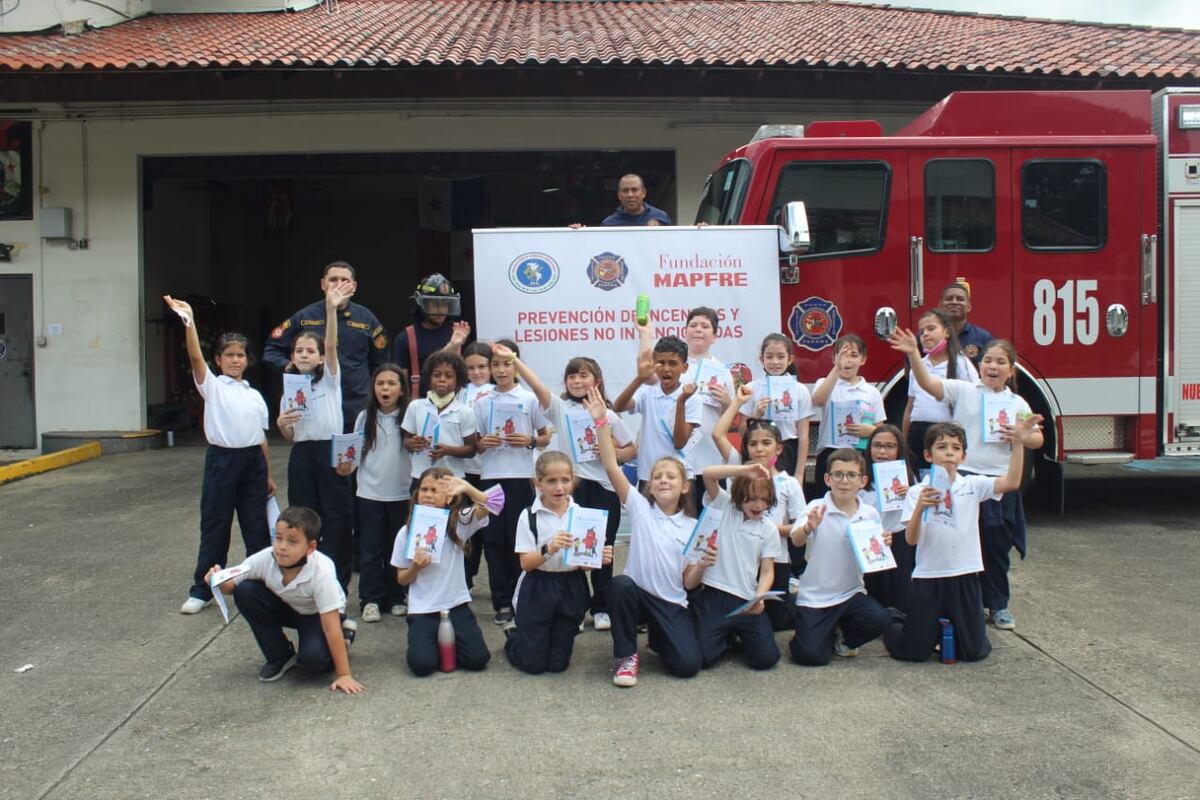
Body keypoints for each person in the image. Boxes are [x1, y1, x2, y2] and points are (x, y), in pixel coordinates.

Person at [890, 332, 1045, 632]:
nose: (993, 367)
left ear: (1011, 370)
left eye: (1001, 362)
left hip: (999, 482)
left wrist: (1024, 436)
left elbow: (1037, 437)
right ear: (979, 364)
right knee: (956, 540)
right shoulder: (964, 390)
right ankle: (963, 601)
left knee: (996, 546)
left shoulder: (1017, 402)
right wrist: (912, 354)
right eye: (988, 360)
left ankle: (998, 604)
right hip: (962, 480)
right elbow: (928, 384)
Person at [883, 418, 1041, 662]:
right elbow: (911, 540)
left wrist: (1018, 443)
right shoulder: (917, 491)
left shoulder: (972, 484)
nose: (949, 453)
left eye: (955, 448)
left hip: (965, 572)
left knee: (974, 652)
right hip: (929, 576)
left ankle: (952, 630)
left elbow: (1011, 482)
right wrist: (919, 509)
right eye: (942, 447)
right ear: (928, 455)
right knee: (913, 652)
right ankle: (894, 619)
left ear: (963, 457)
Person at [502, 349, 636, 632]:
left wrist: (613, 452)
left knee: (601, 548)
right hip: (570, 489)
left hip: (603, 488)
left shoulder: (608, 415)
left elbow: (632, 447)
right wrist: (514, 361)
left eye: (583, 375)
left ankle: (601, 606)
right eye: (571, 375)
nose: (577, 380)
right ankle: (572, 608)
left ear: (596, 381)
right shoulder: (560, 409)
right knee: (569, 545)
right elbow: (537, 386)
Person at [585, 387, 707, 687]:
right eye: (657, 477)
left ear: (684, 487)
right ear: (649, 486)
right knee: (620, 585)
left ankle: (659, 638)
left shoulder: (693, 527)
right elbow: (612, 465)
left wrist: (703, 563)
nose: (663, 480)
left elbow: (688, 582)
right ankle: (627, 656)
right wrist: (602, 423)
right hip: (637, 596)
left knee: (687, 665)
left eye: (671, 477)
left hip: (671, 603)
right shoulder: (640, 508)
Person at [164, 296, 274, 615]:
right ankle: (204, 587)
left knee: (256, 526)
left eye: (240, 355)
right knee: (216, 524)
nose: (235, 360)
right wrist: (189, 321)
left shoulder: (254, 396)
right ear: (219, 359)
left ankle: (261, 584)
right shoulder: (212, 387)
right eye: (229, 355)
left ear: (247, 360)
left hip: (253, 461)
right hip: (222, 461)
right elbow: (195, 357)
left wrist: (266, 473)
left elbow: (261, 438)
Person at [207, 505, 364, 693]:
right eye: (278, 538)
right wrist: (216, 580)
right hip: (288, 606)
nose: (282, 547)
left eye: (292, 542)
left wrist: (344, 674)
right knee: (245, 591)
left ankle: (344, 633)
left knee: (314, 661)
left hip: (319, 614)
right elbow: (230, 587)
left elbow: (330, 625)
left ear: (311, 547)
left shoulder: (322, 571)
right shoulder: (265, 558)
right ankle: (279, 655)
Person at [505, 452, 615, 674]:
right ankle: (514, 637)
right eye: (551, 481)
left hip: (570, 586)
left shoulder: (583, 516)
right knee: (533, 664)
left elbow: (583, 565)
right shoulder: (529, 516)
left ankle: (542, 639)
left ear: (573, 481)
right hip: (538, 585)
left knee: (558, 665)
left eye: (565, 480)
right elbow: (526, 564)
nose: (559, 487)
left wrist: (598, 559)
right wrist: (549, 549)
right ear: (538, 483)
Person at [276, 282, 354, 591]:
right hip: (303, 454)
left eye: (311, 351)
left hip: (331, 451)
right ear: (292, 357)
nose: (305, 355)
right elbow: (289, 434)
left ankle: (338, 583)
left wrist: (331, 310)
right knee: (303, 517)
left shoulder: (330, 381)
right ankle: (306, 577)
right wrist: (282, 422)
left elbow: (333, 344)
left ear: (321, 358)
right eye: (299, 351)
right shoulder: (291, 388)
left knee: (337, 519)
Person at [713, 385, 805, 631]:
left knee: (775, 621)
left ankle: (803, 600)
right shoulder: (738, 468)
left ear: (778, 448)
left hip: (776, 559)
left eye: (766, 443)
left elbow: (800, 526)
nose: (759, 449)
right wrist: (737, 403)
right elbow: (717, 435)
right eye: (753, 444)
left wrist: (774, 530)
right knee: (743, 614)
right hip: (741, 558)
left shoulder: (788, 484)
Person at [788, 448, 893, 666]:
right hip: (816, 596)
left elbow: (873, 554)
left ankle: (845, 639)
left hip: (851, 592)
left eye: (852, 475)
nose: (844, 481)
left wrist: (884, 544)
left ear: (862, 481)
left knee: (880, 619)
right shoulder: (816, 507)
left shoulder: (870, 513)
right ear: (827, 479)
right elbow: (796, 540)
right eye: (838, 474)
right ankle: (812, 632)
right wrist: (808, 527)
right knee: (811, 656)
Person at [472, 339, 551, 626]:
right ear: (489, 369)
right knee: (493, 541)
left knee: (519, 540)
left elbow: (545, 436)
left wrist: (529, 440)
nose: (501, 370)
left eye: (507, 364)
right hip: (491, 479)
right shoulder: (483, 403)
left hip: (521, 479)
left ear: (516, 365)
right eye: (495, 365)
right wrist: (484, 443)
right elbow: (476, 445)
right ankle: (502, 601)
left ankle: (522, 597)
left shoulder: (528, 399)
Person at [391, 468, 496, 676]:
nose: (428, 495)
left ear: (449, 498)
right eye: (424, 489)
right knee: (422, 665)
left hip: (455, 604)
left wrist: (466, 487)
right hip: (423, 609)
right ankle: (433, 643)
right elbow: (401, 579)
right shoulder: (406, 532)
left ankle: (448, 642)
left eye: (435, 490)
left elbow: (493, 504)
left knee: (478, 659)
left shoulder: (459, 524)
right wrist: (416, 567)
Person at [263, 260, 388, 433]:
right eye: (333, 279)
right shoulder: (305, 316)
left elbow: (380, 364)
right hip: (317, 407)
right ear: (323, 284)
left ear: (354, 286)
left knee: (353, 459)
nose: (338, 285)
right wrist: (290, 366)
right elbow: (271, 350)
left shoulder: (367, 319)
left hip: (356, 406)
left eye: (344, 280)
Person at [339, 363, 411, 622]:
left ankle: (396, 596)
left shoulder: (409, 416)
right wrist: (345, 466)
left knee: (397, 547)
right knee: (370, 549)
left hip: (402, 494)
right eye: (380, 383)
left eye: (391, 383)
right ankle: (370, 598)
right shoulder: (364, 417)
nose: (385, 388)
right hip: (369, 494)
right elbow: (354, 455)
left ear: (401, 390)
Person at [693, 461, 782, 670]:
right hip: (714, 595)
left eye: (764, 499)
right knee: (703, 657)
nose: (758, 505)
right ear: (739, 495)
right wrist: (743, 471)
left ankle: (735, 635)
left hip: (746, 600)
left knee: (767, 659)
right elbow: (707, 473)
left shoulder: (768, 529)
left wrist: (759, 597)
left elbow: (768, 571)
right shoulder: (724, 506)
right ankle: (727, 639)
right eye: (751, 499)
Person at [612, 329, 702, 490]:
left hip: (678, 476)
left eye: (673, 363)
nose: (666, 369)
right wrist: (640, 378)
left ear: (685, 367)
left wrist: (681, 403)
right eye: (660, 362)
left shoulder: (692, 398)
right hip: (648, 475)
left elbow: (679, 443)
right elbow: (618, 407)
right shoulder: (648, 391)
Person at [902, 309, 977, 474]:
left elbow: (974, 404)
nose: (925, 335)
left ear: (947, 332)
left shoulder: (961, 364)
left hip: (946, 436)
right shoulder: (918, 366)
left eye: (931, 329)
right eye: (922, 332)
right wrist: (904, 443)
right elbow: (910, 408)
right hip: (918, 435)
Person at [810, 334, 885, 497]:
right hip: (829, 452)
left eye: (853, 355)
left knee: (856, 499)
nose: (848, 360)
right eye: (842, 354)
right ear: (834, 358)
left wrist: (870, 431)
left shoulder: (871, 392)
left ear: (862, 359)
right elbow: (817, 400)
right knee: (826, 499)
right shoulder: (825, 382)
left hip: (858, 452)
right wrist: (836, 369)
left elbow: (881, 430)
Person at [681, 306, 737, 509]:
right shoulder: (675, 365)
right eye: (693, 325)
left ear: (714, 336)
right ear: (685, 331)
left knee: (710, 520)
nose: (698, 330)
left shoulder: (722, 371)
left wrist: (726, 403)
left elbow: (730, 416)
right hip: (680, 456)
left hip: (711, 457)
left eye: (705, 326)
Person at [739, 332, 813, 481]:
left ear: (790, 359)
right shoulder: (751, 388)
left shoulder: (800, 390)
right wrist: (757, 415)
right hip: (760, 450)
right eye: (769, 356)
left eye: (780, 357)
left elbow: (804, 436)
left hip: (788, 448)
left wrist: (799, 474)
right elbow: (742, 432)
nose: (775, 362)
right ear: (762, 359)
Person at [401, 351, 478, 489]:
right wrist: (414, 443)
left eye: (449, 376)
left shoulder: (464, 411)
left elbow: (471, 450)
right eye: (436, 375)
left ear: (458, 381)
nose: (442, 379)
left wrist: (448, 450)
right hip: (420, 477)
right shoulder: (415, 406)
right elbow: (405, 440)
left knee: (451, 511)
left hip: (452, 479)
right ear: (429, 378)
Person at [860, 424, 914, 613]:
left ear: (899, 450)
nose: (882, 451)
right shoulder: (860, 476)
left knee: (899, 594)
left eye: (889, 446)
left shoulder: (908, 477)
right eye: (877, 445)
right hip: (867, 539)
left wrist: (911, 494)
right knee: (870, 590)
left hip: (898, 539)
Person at [394, 273, 471, 400]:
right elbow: (400, 381)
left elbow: (470, 375)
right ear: (422, 304)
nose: (441, 310)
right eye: (435, 304)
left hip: (455, 406)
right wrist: (452, 346)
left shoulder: (459, 334)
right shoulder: (405, 338)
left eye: (445, 304)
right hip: (419, 406)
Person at [458, 341, 495, 591]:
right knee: (467, 525)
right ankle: (466, 579)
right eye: (471, 367)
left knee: (491, 530)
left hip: (491, 470)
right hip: (465, 469)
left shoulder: (499, 391)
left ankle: (499, 584)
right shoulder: (460, 392)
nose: (477, 372)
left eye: (482, 366)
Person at [939, 282, 993, 366]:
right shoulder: (926, 336)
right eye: (949, 298)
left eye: (960, 299)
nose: (954, 302)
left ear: (969, 307)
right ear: (940, 306)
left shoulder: (983, 338)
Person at [601, 174, 672, 227]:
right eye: (625, 190)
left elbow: (671, 244)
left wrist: (659, 231)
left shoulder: (661, 217)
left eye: (634, 190)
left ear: (643, 193)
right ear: (619, 195)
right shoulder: (609, 224)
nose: (630, 195)